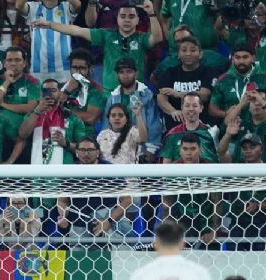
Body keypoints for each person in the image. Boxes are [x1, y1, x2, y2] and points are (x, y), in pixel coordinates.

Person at [31, 1, 163, 91]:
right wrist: (50, 24)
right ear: (117, 19)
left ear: (138, 20)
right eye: (123, 16)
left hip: (136, 93)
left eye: (131, 16)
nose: (127, 20)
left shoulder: (142, 38)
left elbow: (157, 38)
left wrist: (151, 13)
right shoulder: (106, 35)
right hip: (109, 95)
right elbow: (76, 30)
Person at [17, 78, 88, 165]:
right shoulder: (32, 115)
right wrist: (37, 111)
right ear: (41, 94)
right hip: (37, 172)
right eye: (45, 91)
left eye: (53, 90)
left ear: (60, 93)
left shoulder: (72, 118)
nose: (50, 94)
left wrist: (66, 143)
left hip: (63, 175)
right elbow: (22, 135)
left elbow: (84, 149)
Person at [156, 36, 215, 131]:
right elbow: (161, 98)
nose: (188, 54)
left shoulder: (208, 72)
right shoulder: (170, 73)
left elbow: (204, 95)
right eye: (184, 50)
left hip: (203, 127)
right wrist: (173, 111)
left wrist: (178, 94)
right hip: (175, 128)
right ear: (178, 54)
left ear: (200, 54)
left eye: (193, 50)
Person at [19, 0, 80, 83]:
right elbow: (19, 5)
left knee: (63, 96)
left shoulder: (66, 7)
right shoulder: (33, 7)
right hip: (38, 70)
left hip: (64, 69)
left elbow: (77, 4)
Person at [160, 92, 217, 164]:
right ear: (182, 108)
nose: (191, 109)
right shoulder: (172, 134)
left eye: (195, 106)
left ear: (201, 108)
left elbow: (217, 160)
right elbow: (166, 166)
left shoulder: (212, 132)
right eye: (187, 105)